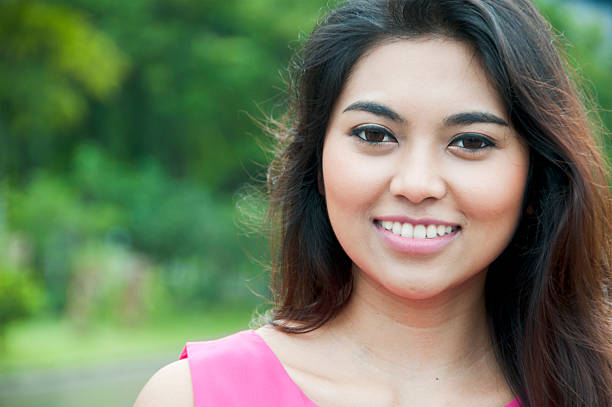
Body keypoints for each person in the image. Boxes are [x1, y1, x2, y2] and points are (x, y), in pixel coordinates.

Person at [134, 0, 612, 406]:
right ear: (316, 161)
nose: (416, 184)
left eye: (470, 142)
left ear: (537, 178)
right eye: (375, 134)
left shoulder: (595, 389)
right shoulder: (196, 396)